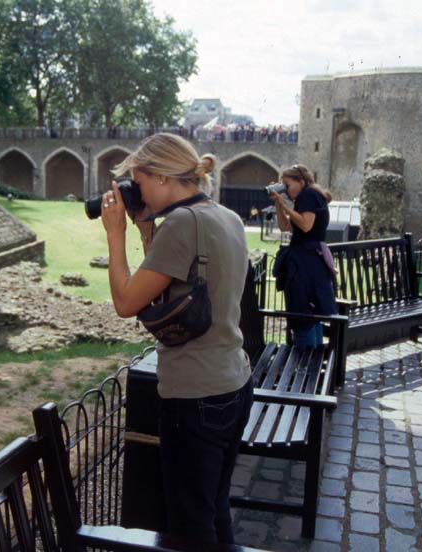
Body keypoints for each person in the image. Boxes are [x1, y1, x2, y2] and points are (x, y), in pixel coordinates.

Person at [99, 133, 253, 545]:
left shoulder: (183, 223)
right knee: (214, 506)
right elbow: (170, 282)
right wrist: (147, 227)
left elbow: (127, 302)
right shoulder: (224, 216)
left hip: (195, 394)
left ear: (163, 178)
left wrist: (115, 235)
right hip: (233, 383)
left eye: (141, 181)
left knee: (189, 523)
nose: (139, 192)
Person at [269, 164, 337, 347]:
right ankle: (313, 361)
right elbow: (286, 227)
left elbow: (306, 225)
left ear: (301, 182)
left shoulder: (308, 195)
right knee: (310, 315)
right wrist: (278, 203)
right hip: (308, 261)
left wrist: (284, 203)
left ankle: (305, 363)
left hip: (306, 263)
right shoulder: (306, 197)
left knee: (302, 313)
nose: (286, 189)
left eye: (287, 184)